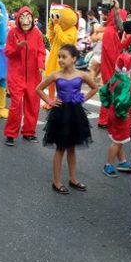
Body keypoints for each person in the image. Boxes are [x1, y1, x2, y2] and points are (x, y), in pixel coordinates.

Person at [36, 44, 98, 194]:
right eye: (59, 57)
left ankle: (73, 179)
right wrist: (50, 101)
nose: (60, 60)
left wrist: (83, 98)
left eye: (64, 57)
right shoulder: (56, 75)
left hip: (76, 113)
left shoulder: (81, 75)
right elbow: (38, 88)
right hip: (60, 113)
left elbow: (95, 88)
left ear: (74, 58)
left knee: (71, 148)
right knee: (60, 148)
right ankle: (56, 182)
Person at [4, 6, 46, 146]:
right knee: (16, 105)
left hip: (34, 75)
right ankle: (10, 134)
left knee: (33, 104)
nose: (25, 20)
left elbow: (41, 51)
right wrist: (18, 47)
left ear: (32, 19)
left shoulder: (37, 34)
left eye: (27, 17)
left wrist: (41, 65)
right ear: (18, 19)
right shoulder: (12, 33)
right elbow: (8, 52)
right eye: (22, 17)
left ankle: (29, 132)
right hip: (16, 74)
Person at [100, 53, 131, 177]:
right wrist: (122, 113)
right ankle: (108, 164)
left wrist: (107, 103)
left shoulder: (115, 77)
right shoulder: (127, 83)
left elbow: (103, 91)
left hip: (112, 112)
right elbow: (124, 101)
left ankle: (123, 161)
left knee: (118, 139)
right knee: (118, 141)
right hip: (121, 115)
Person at [98, 0, 126, 128]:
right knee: (109, 92)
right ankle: (103, 120)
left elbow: (118, 47)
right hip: (110, 67)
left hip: (110, 66)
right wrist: (120, 64)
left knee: (110, 92)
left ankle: (105, 119)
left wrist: (129, 40)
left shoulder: (112, 30)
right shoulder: (110, 31)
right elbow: (112, 52)